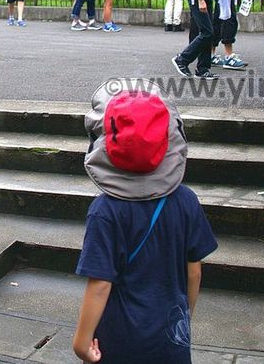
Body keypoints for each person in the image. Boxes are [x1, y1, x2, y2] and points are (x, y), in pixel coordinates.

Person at [73, 81, 217, 363]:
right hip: (170, 339)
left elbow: (100, 283)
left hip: (119, 339)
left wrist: (81, 340)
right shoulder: (186, 200)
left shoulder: (105, 210)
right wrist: (184, 317)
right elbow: (194, 271)